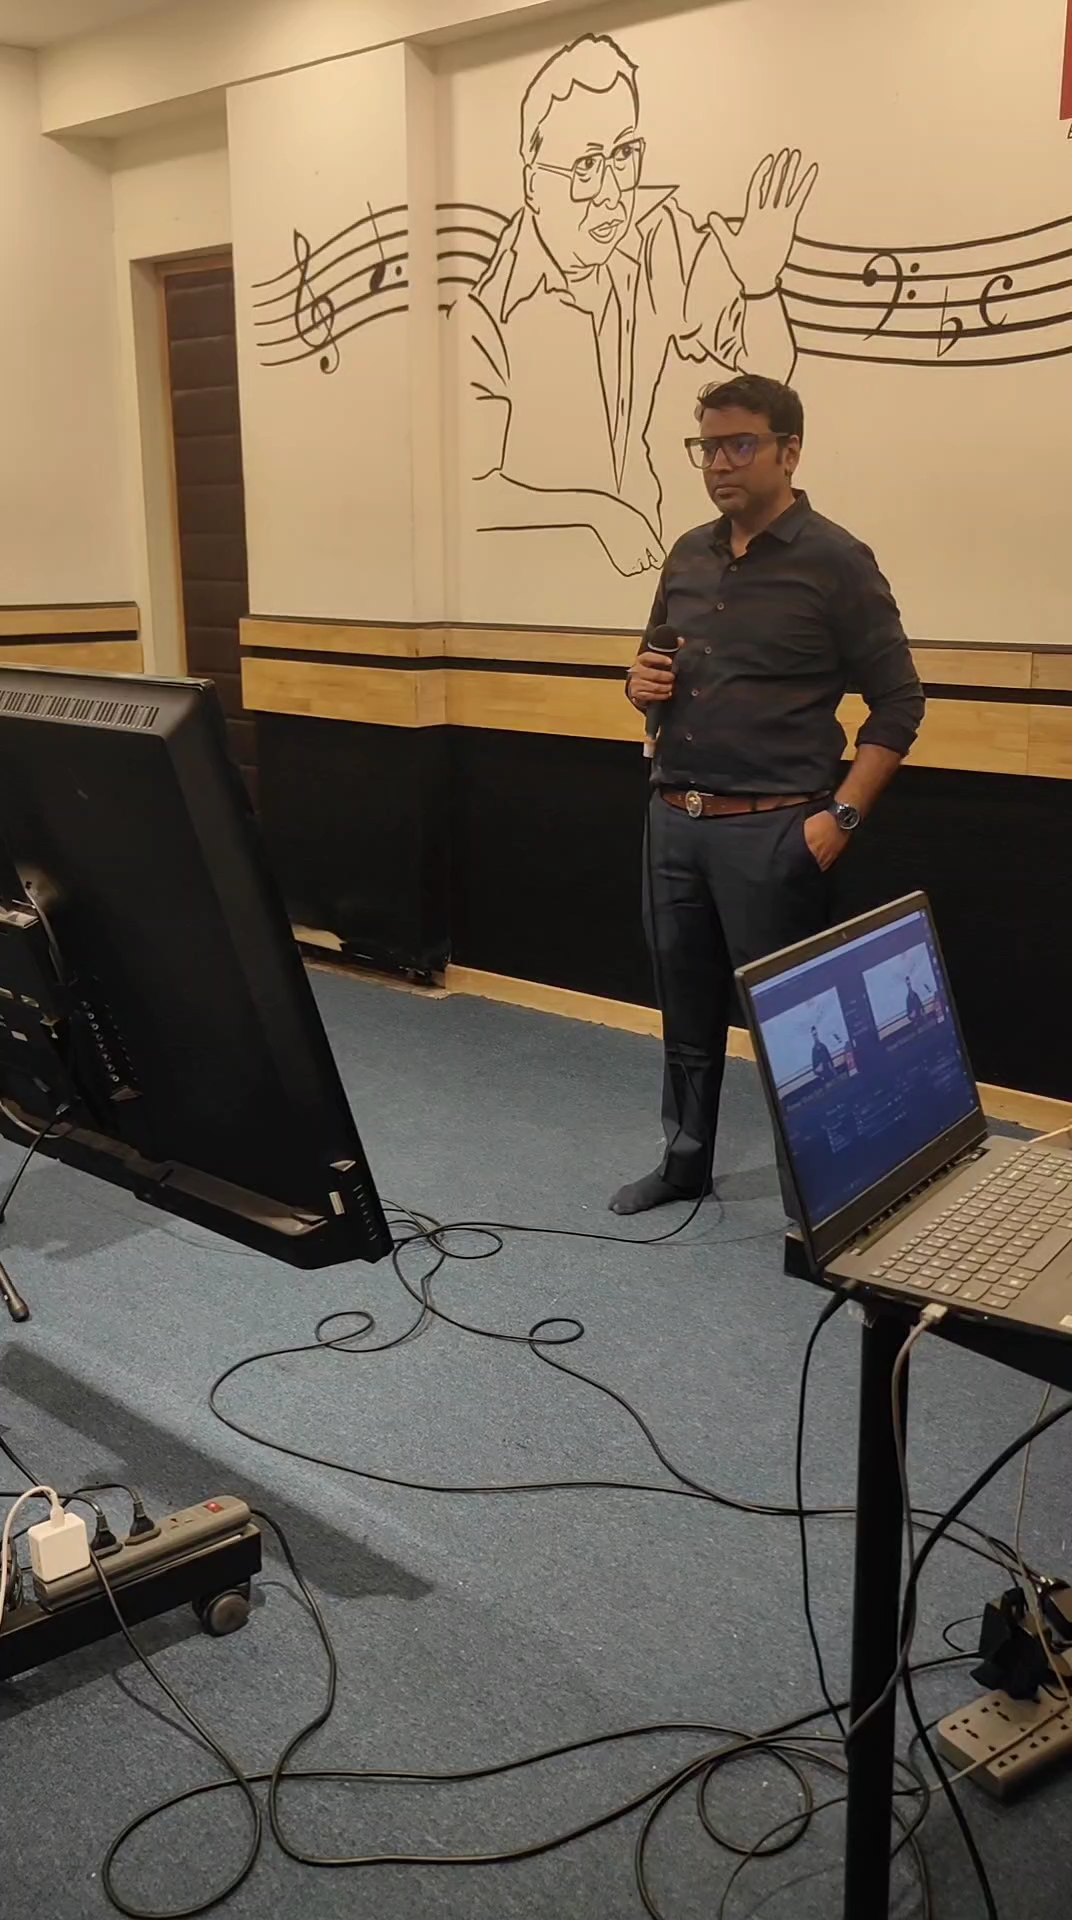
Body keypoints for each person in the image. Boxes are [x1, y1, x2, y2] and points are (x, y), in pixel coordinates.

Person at [611, 371, 925, 1215]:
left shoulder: (836, 560)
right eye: (707, 446)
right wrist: (638, 684)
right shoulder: (687, 554)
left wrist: (840, 818)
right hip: (673, 822)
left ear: (789, 452)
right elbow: (651, 670)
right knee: (685, 1007)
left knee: (797, 1022)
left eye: (739, 444)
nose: (719, 463)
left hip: (776, 830)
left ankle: (818, 1194)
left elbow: (900, 703)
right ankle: (684, 1162)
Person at [457, 33, 816, 576]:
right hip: (537, 578)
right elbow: (475, 493)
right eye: (585, 166)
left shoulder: (656, 242)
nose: (611, 193)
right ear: (533, 185)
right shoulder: (487, 314)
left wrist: (760, 285)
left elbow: (767, 378)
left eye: (624, 156)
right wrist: (598, 515)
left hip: (651, 569)